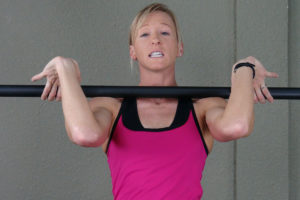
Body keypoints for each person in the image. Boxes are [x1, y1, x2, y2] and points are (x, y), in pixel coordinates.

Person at [31, 3, 278, 200]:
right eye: (145, 33)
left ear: (179, 48)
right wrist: (66, 69)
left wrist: (244, 69)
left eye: (165, 32)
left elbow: (237, 126)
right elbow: (84, 134)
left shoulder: (202, 108)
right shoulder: (111, 107)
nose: (156, 39)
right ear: (132, 51)